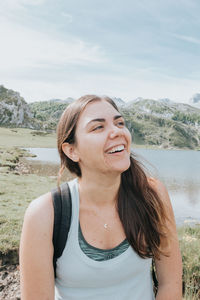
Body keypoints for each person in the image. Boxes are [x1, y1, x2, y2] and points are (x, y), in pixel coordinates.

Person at [19, 95, 182, 300]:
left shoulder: (153, 194)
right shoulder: (44, 214)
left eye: (120, 123)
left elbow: (171, 284)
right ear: (72, 150)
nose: (117, 132)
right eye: (98, 127)